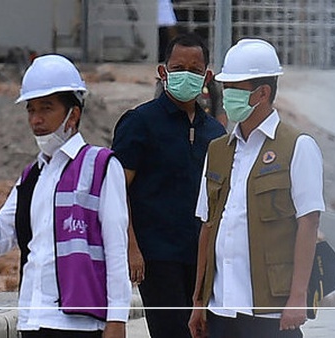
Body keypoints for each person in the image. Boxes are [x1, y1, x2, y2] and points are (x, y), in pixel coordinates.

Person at [0, 54, 131, 338]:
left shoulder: (101, 166)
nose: (36, 119)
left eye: (46, 108)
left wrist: (117, 320)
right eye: (31, 110)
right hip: (33, 321)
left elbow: (116, 249)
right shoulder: (32, 176)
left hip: (80, 325)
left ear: (73, 114)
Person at [188, 38, 325, 338]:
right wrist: (199, 301)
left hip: (270, 309)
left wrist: (298, 297)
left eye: (236, 89)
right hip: (220, 307)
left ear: (263, 93)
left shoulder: (297, 147)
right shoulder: (218, 151)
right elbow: (208, 227)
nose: (227, 97)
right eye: (226, 89)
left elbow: (308, 223)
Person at [111, 33, 226, 338]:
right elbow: (116, 191)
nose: (185, 76)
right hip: (156, 258)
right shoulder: (139, 123)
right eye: (177, 69)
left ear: (207, 76)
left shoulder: (215, 133)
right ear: (163, 73)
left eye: (194, 69)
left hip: (202, 259)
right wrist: (132, 247)